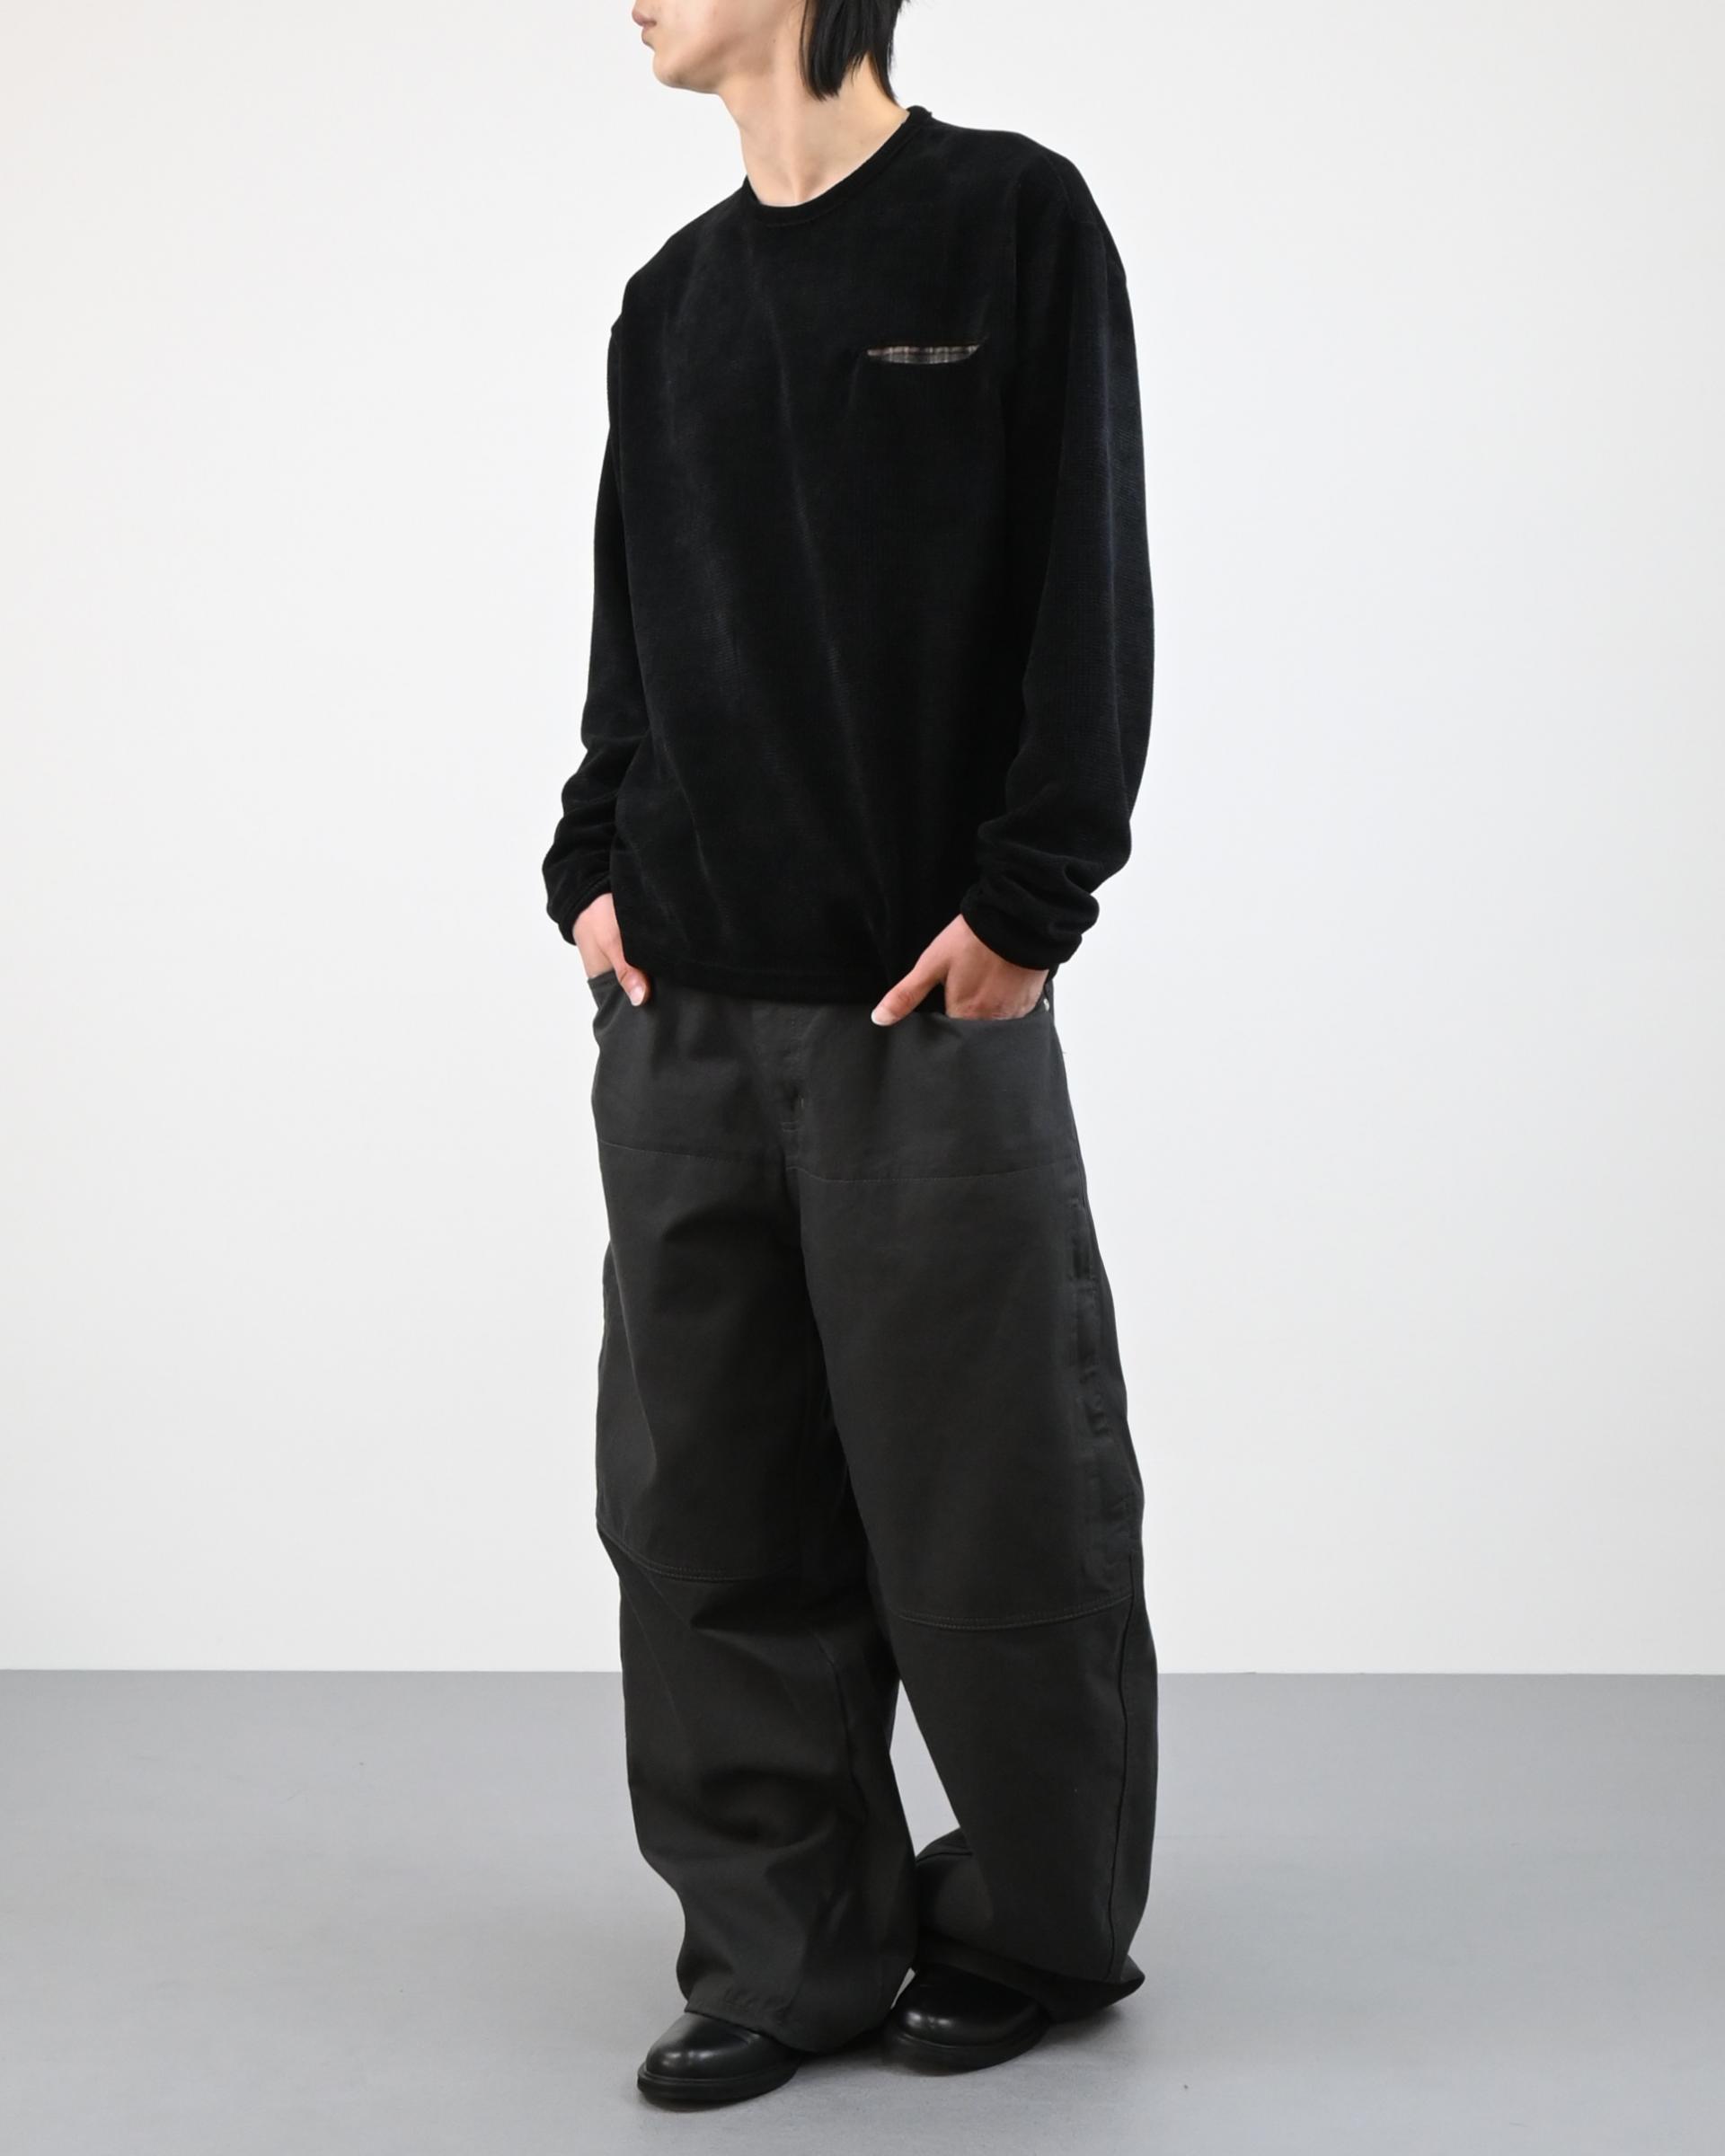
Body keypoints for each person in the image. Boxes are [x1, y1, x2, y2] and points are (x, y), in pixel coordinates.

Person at [543, 0, 1157, 2109]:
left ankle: (1038, 1928)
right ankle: (782, 1950)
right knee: (705, 1517)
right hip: (684, 1015)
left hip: (922, 1008)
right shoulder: (673, 304)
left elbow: (1087, 579)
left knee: (994, 1512)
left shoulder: (1010, 225)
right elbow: (632, 628)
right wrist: (592, 864)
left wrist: (1031, 904)